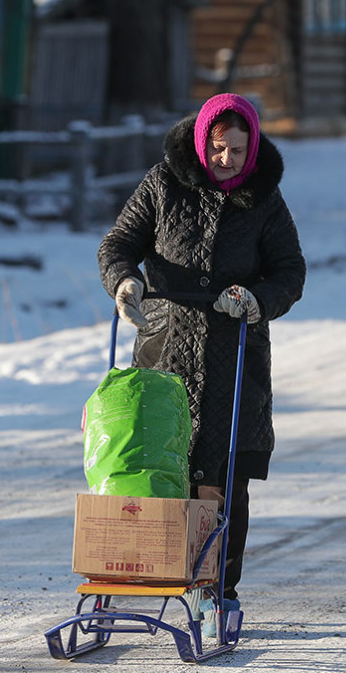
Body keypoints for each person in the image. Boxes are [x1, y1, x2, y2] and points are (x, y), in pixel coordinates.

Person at [98, 93, 306, 634]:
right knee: (157, 462)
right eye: (219, 149)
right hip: (164, 343)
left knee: (222, 473)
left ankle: (217, 591)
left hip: (233, 352)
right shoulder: (164, 183)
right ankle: (147, 574)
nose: (228, 160)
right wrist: (125, 281)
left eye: (238, 150)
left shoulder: (264, 198)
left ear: (252, 146)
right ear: (202, 142)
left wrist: (258, 300)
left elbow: (289, 270)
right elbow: (119, 241)